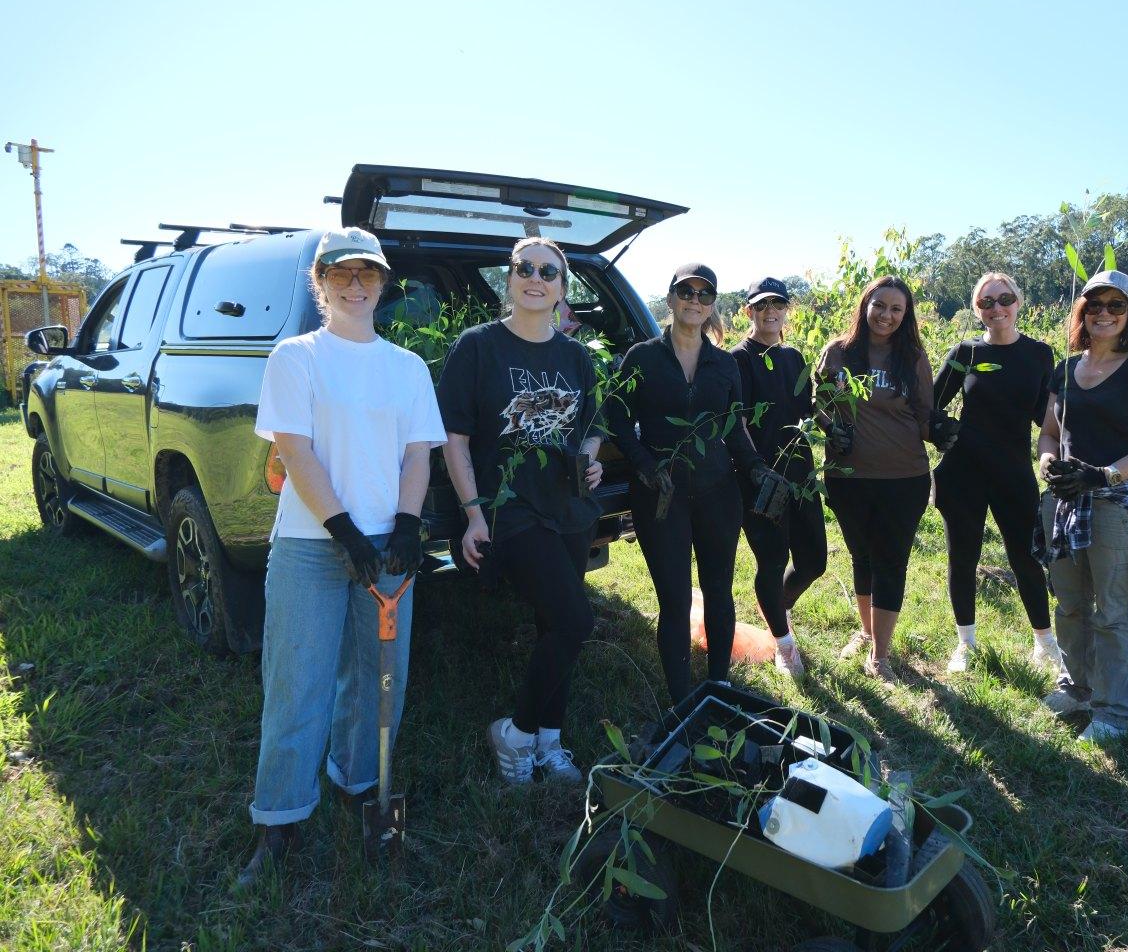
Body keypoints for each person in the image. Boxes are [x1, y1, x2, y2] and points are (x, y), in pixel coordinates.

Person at [240, 228, 445, 886]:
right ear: (320, 282)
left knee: (380, 681)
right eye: (340, 274)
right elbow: (295, 452)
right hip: (310, 545)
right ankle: (279, 823)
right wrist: (345, 533)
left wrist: (407, 526)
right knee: (296, 685)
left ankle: (361, 787)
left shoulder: (407, 368)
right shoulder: (295, 357)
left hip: (387, 545)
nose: (355, 285)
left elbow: (418, 454)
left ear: (384, 284)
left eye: (368, 274)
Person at [436, 237, 606, 785]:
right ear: (510, 279)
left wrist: (591, 462)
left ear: (562, 288)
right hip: (511, 511)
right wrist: (474, 514)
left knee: (554, 624)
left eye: (549, 272)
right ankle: (513, 733)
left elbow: (592, 428)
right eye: (525, 268)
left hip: (569, 508)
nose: (536, 278)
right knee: (577, 619)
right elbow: (454, 438)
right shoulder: (478, 347)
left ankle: (548, 742)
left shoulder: (576, 356)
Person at [609, 263, 789, 704]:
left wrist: (757, 468)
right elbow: (615, 415)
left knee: (718, 591)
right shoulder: (643, 358)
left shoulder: (724, 366)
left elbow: (734, 428)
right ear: (670, 300)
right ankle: (678, 701)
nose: (694, 300)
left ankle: (718, 687)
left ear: (712, 307)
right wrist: (643, 463)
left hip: (716, 495)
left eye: (704, 295)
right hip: (660, 498)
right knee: (673, 600)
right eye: (685, 292)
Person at [1033, 270, 1128, 744]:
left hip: (1114, 500)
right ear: (1083, 311)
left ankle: (1114, 710)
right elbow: (1050, 432)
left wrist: (1106, 473)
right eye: (1096, 305)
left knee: (1111, 607)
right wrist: (1050, 461)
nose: (1105, 313)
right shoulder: (1066, 370)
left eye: (1116, 306)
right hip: (1065, 498)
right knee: (1070, 601)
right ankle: (1077, 687)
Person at [933, 272, 1059, 673]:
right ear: (977, 310)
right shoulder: (965, 352)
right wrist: (939, 433)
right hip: (962, 472)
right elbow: (931, 405)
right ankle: (965, 644)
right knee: (963, 557)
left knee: (1025, 557)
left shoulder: (1040, 354)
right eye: (986, 302)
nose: (997, 308)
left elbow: (1045, 415)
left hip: (1014, 470)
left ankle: (1045, 643)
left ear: (1018, 302)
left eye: (1004, 298)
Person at [821, 275, 942, 683]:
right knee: (861, 556)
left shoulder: (912, 358)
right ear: (865, 305)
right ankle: (867, 630)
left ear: (905, 315)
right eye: (879, 305)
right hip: (848, 476)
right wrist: (826, 427)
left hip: (903, 477)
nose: (885, 315)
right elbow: (817, 404)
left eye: (896, 309)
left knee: (891, 561)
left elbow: (926, 418)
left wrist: (944, 433)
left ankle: (881, 655)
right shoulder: (837, 353)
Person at [731, 277, 828, 680]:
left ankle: (777, 608)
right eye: (761, 304)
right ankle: (784, 646)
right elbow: (735, 419)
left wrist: (831, 419)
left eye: (778, 304)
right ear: (748, 311)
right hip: (760, 478)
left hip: (801, 475)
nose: (770, 311)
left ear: (787, 310)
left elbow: (806, 411)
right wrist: (754, 467)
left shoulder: (793, 358)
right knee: (772, 560)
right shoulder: (738, 359)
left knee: (815, 560)